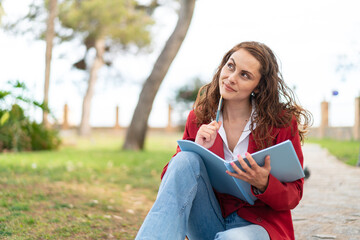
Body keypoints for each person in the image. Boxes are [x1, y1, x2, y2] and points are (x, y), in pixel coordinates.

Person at [135, 41, 312, 240]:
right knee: (185, 159)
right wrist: (197, 149)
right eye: (230, 66)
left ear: (259, 87)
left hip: (258, 226)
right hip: (208, 220)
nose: (231, 78)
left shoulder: (281, 123)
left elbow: (294, 195)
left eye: (244, 75)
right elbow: (173, 186)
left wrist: (264, 183)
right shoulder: (199, 118)